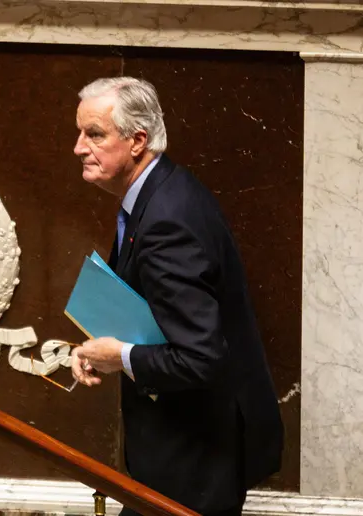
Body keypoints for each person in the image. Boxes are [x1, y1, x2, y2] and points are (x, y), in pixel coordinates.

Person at [69, 77, 283, 516]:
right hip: (183, 445)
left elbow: (202, 357)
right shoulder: (159, 191)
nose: (78, 147)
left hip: (196, 457)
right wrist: (100, 346)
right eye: (79, 133)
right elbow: (154, 308)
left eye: (94, 134)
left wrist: (120, 357)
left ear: (137, 141)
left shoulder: (167, 219)